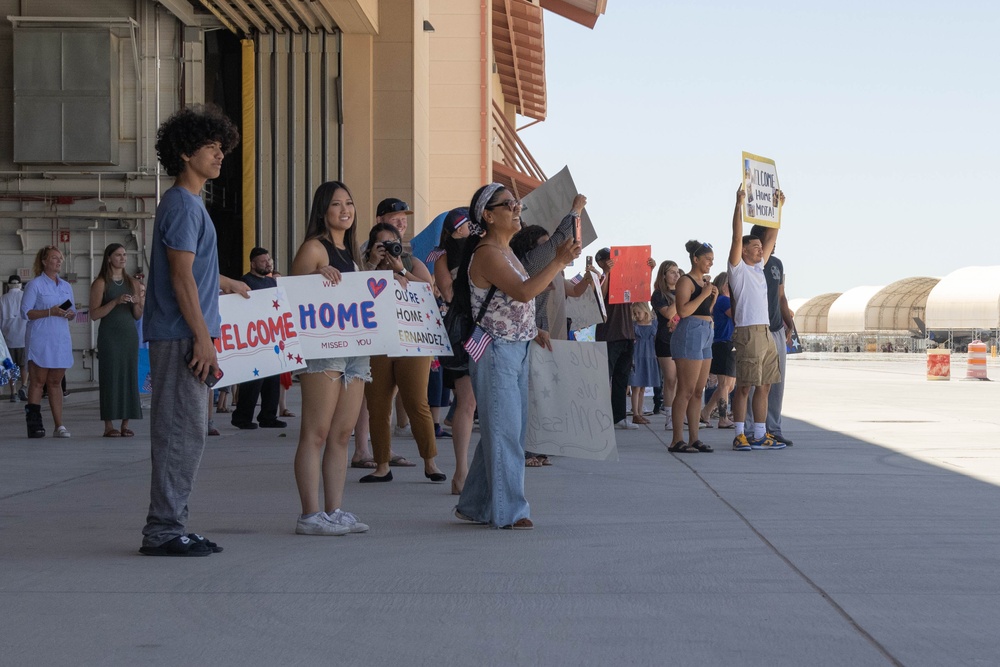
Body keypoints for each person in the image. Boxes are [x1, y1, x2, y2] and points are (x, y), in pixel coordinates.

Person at [140, 104, 247, 557]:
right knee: (181, 431)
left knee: (189, 429)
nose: (220, 156)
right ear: (185, 153)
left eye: (222, 148)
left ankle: (171, 522)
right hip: (182, 335)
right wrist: (203, 338)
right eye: (210, 147)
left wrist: (228, 283)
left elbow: (194, 271)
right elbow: (180, 276)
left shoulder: (189, 204)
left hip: (185, 332)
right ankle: (164, 529)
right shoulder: (183, 205)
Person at [452, 183, 579, 529]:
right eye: (508, 204)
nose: (517, 207)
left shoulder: (503, 250)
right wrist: (558, 261)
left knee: (504, 428)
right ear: (489, 216)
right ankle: (510, 511)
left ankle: (476, 503)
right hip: (496, 352)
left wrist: (531, 329)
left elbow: (512, 302)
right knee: (506, 431)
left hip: (514, 348)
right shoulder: (488, 253)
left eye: (517, 202)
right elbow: (524, 292)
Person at [290, 180, 371, 536]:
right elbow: (292, 295)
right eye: (337, 204)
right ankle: (310, 514)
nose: (345, 210)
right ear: (323, 210)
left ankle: (334, 509)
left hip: (355, 351)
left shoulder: (353, 255)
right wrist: (314, 275)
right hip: (322, 352)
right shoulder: (314, 248)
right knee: (317, 432)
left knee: (342, 434)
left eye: (349, 203)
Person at [358, 222, 445, 484]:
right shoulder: (363, 266)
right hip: (378, 344)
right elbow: (353, 294)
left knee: (417, 403)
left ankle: (430, 462)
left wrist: (402, 271)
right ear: (372, 246)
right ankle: (382, 465)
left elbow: (429, 290)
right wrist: (373, 265)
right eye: (381, 245)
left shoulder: (410, 262)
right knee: (378, 407)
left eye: (391, 244)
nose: (387, 250)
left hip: (412, 342)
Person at [727, 186, 786, 451]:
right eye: (755, 247)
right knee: (745, 386)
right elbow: (736, 236)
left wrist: (778, 208)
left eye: (761, 247)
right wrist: (738, 205)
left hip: (765, 331)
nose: (761, 250)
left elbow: (773, 234)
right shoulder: (738, 269)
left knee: (765, 384)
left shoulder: (761, 268)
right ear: (745, 251)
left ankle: (760, 434)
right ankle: (740, 434)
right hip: (748, 330)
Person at [433, 207, 478, 494]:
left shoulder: (483, 248)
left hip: (482, 325)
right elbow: (447, 293)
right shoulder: (443, 256)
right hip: (462, 327)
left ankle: (465, 472)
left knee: (473, 403)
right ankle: (461, 471)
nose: (469, 230)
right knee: (467, 400)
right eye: (464, 227)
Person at [595, 248, 657, 430]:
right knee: (604, 377)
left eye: (612, 259)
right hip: (609, 334)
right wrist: (606, 272)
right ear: (601, 262)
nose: (611, 262)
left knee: (622, 378)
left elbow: (641, 291)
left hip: (627, 334)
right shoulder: (600, 278)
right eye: (606, 260)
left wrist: (649, 271)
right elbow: (601, 295)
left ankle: (619, 417)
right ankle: (600, 415)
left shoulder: (624, 278)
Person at [88, 243, 144, 437]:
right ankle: (108, 425)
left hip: (128, 334)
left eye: (124, 255)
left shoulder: (133, 283)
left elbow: (137, 315)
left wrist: (138, 303)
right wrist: (114, 301)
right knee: (110, 377)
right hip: (110, 336)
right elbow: (94, 314)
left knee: (129, 376)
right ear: (109, 258)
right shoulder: (101, 283)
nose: (123, 258)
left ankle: (126, 423)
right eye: (118, 255)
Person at [20, 246, 76, 438]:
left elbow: (72, 310)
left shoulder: (66, 287)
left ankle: (59, 425)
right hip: (40, 338)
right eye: (54, 258)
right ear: (44, 261)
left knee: (55, 382)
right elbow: (25, 312)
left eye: (60, 258)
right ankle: (34, 423)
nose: (59, 261)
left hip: (60, 339)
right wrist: (49, 311)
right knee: (37, 381)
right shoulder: (35, 285)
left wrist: (69, 314)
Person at [667, 240, 718, 453]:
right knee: (686, 390)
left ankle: (694, 438)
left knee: (699, 390)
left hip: (706, 331)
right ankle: (677, 439)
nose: (710, 264)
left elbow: (705, 309)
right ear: (695, 259)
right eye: (707, 259)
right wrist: (705, 294)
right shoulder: (685, 281)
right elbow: (683, 311)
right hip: (690, 331)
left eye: (712, 260)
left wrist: (711, 297)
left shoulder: (704, 282)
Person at [749, 224, 796, 446]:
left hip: (777, 329)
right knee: (753, 381)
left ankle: (773, 428)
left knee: (777, 382)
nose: (774, 242)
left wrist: (790, 324)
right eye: (771, 237)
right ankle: (750, 427)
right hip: (757, 329)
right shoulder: (751, 265)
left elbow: (781, 297)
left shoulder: (777, 264)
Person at [230, 247, 286, 430]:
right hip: (253, 338)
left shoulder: (272, 283)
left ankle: (268, 416)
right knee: (253, 382)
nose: (268, 263)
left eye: (269, 260)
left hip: (272, 336)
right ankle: (242, 417)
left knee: (272, 381)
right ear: (253, 263)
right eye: (263, 261)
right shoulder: (245, 282)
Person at [702, 272, 736, 428]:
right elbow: (736, 315)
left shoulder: (724, 300)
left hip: (727, 343)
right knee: (724, 384)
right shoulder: (723, 300)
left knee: (729, 385)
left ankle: (706, 411)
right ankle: (723, 417)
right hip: (723, 343)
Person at [651, 261, 680, 431]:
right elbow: (668, 313)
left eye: (677, 272)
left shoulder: (682, 291)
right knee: (670, 379)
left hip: (682, 338)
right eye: (672, 272)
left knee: (681, 381)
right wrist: (682, 298)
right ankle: (669, 417)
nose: (676, 275)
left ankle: (678, 415)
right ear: (664, 275)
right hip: (665, 340)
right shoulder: (659, 295)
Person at [628, 302, 658, 426]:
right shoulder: (634, 325)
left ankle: (640, 413)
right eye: (635, 313)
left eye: (638, 313)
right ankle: (635, 413)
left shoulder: (653, 323)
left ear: (645, 311)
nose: (637, 315)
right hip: (637, 356)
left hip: (649, 355)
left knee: (643, 387)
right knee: (636, 387)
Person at [1, 275, 27, 402]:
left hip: (8, 338)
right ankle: (24, 386)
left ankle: (13, 393)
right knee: (24, 365)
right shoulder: (25, 296)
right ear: (20, 284)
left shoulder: (3, 299)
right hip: (24, 336)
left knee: (11, 367)